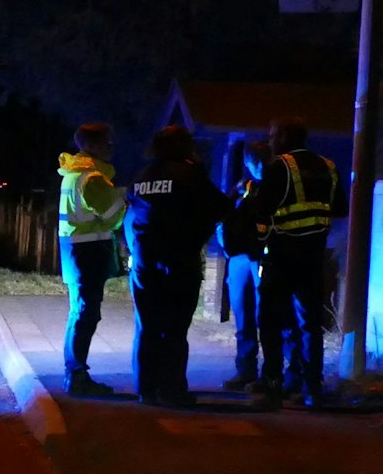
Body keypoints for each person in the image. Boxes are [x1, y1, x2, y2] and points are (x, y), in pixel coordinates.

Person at [122, 125, 229, 407]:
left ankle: (146, 389)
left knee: (147, 326)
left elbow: (132, 214)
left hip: (145, 262)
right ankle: (171, 390)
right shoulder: (190, 174)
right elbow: (221, 208)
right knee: (175, 329)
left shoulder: (142, 176)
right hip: (179, 262)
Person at [252, 116, 348, 409]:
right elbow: (341, 209)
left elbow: (261, 211)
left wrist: (258, 240)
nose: (269, 141)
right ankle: (312, 389)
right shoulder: (328, 167)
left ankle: (272, 387)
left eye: (272, 135)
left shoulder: (279, 166)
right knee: (310, 325)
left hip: (281, 256)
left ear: (284, 137)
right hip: (314, 257)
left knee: (270, 323)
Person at [56, 123, 127, 396]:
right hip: (88, 253)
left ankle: (74, 372)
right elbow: (114, 216)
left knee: (80, 311)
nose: (111, 147)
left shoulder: (73, 174)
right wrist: (124, 199)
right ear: (92, 146)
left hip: (76, 250)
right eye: (107, 142)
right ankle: (77, 376)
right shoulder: (92, 178)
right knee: (86, 312)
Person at [219, 141, 271, 390]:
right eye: (255, 160)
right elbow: (224, 213)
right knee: (243, 317)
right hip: (239, 258)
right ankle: (246, 370)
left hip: (261, 257)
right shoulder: (243, 188)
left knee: (267, 317)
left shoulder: (274, 187)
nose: (259, 165)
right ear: (249, 162)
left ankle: (271, 374)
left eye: (262, 159)